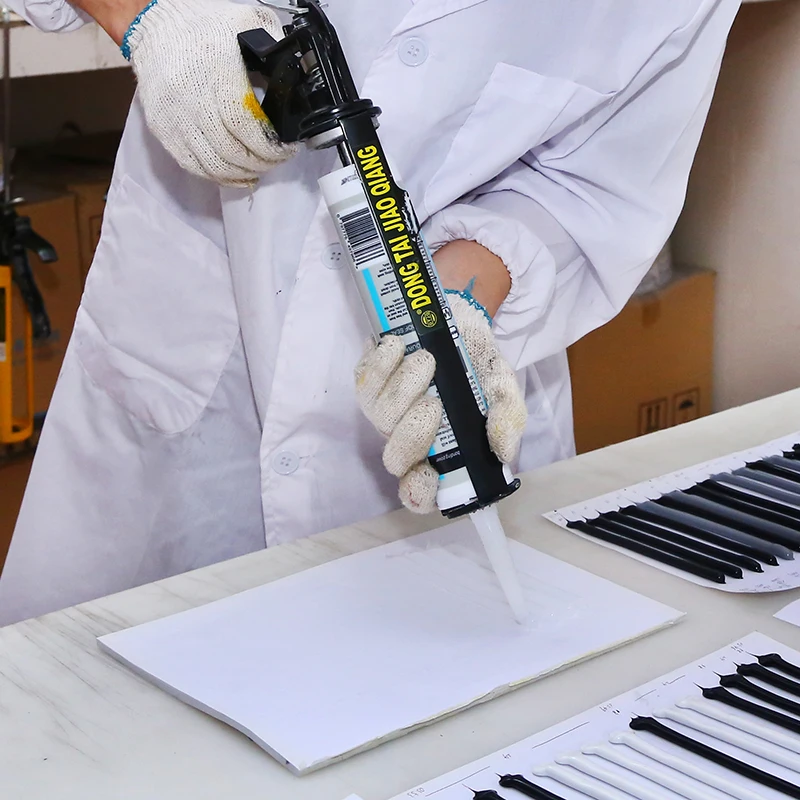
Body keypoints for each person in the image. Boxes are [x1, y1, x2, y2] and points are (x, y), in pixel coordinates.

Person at [0, 0, 741, 626]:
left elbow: (591, 188)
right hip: (192, 345)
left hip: (437, 392)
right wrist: (151, 13)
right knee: (84, 709)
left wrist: (458, 307)